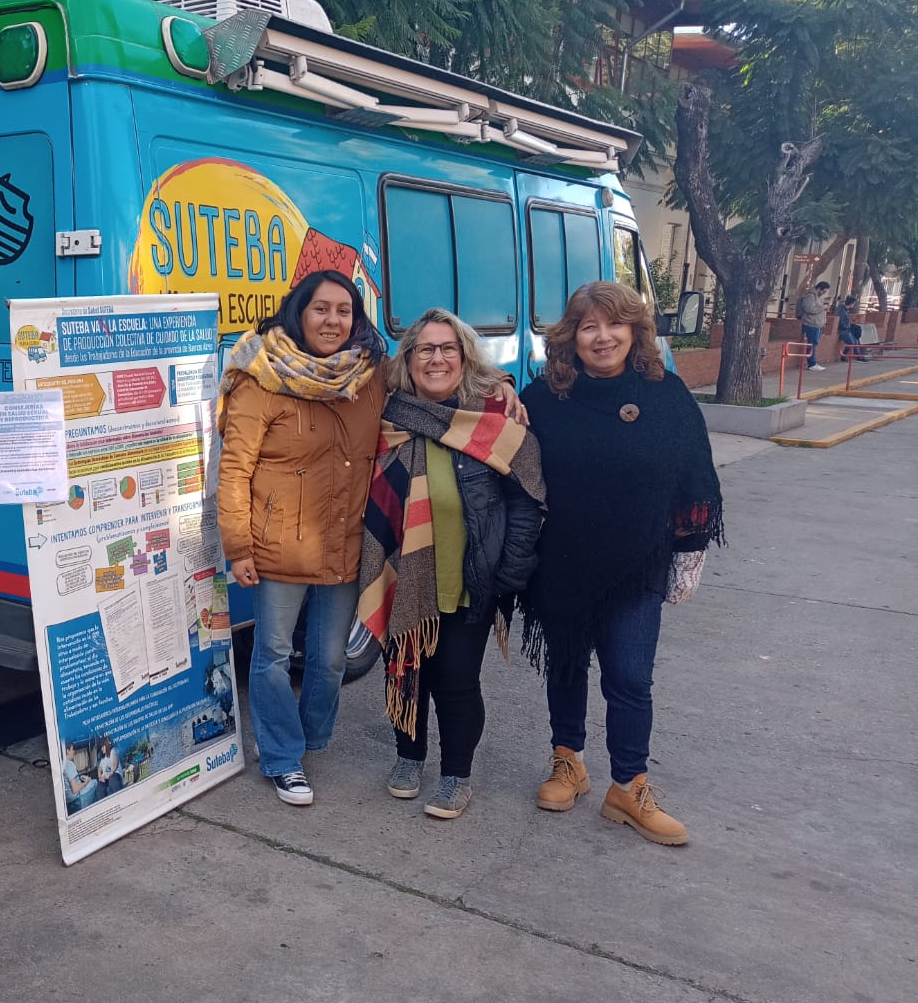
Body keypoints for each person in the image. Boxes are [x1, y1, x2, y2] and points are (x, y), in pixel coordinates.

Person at [518, 281, 723, 846]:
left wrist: (690, 549)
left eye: (614, 324)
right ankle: (568, 763)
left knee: (630, 678)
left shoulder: (666, 395)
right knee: (565, 665)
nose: (602, 336)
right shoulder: (544, 399)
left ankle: (629, 787)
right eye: (589, 326)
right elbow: (513, 463)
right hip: (562, 560)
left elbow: (695, 475)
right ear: (572, 337)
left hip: (639, 562)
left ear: (635, 331)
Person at [357, 310, 545, 820]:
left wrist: (508, 570)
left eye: (448, 349)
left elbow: (526, 499)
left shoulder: (492, 420)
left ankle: (456, 775)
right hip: (402, 573)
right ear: (409, 359)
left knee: (457, 682)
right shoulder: (387, 416)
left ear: (464, 358)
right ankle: (409, 756)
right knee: (404, 671)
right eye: (425, 349)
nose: (436, 359)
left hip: (471, 579)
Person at [217, 270, 389, 807]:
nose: (333, 320)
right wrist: (238, 547)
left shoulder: (370, 375)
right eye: (321, 308)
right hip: (279, 546)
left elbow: (441, 377)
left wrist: (500, 387)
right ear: (300, 311)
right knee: (271, 655)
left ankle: (307, 738)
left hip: (344, 541)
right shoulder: (262, 375)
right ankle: (282, 757)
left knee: (331, 658)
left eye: (344, 310)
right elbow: (235, 469)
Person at [796, 281, 830, 371]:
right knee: (812, 344)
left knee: (814, 344)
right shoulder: (810, 296)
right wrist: (822, 308)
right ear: (819, 288)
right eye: (823, 291)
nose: (823, 293)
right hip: (811, 324)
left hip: (817, 324)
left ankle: (812, 362)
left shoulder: (818, 297)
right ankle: (812, 363)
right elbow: (809, 309)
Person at [61, 741, 97, 814]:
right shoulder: (69, 764)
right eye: (72, 749)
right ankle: (93, 804)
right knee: (95, 782)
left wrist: (80, 778)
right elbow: (75, 789)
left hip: (68, 798)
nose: (74, 751)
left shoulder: (62, 763)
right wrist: (86, 782)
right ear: (67, 751)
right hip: (76, 796)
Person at [836, 295, 867, 362]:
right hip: (843, 330)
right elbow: (841, 322)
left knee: (855, 341)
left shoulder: (844, 310)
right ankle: (856, 357)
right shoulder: (841, 310)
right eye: (853, 303)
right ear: (851, 303)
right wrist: (847, 326)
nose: (854, 305)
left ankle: (854, 356)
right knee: (851, 342)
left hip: (846, 329)